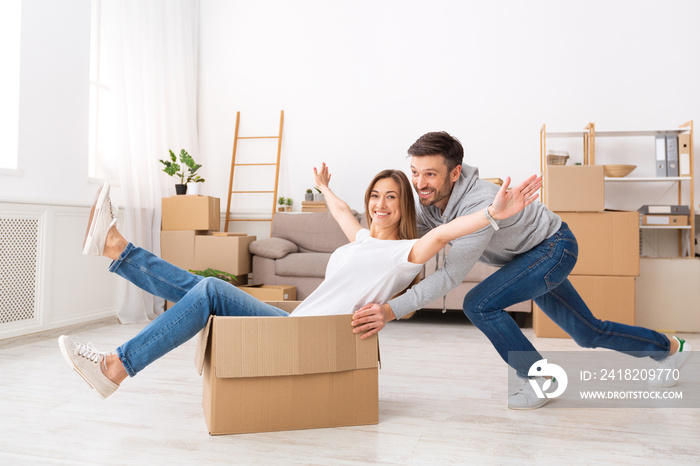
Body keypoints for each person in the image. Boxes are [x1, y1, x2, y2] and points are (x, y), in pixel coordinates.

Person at [59, 164, 541, 399]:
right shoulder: (359, 241)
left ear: (405, 208)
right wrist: (327, 186)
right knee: (198, 289)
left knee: (206, 290)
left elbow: (448, 232)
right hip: (293, 321)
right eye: (375, 196)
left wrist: (493, 216)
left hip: (309, 336)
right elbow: (339, 212)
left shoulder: (406, 253)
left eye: (393, 198)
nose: (381, 205)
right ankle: (117, 249)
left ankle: (116, 365)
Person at [352, 131, 693, 409]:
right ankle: (670, 349)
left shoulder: (478, 204)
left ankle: (540, 378)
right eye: (414, 172)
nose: (420, 183)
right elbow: (408, 242)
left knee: (478, 303)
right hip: (527, 257)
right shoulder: (431, 203)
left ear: (455, 173)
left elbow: (450, 276)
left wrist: (390, 310)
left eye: (430, 174)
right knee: (588, 333)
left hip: (553, 247)